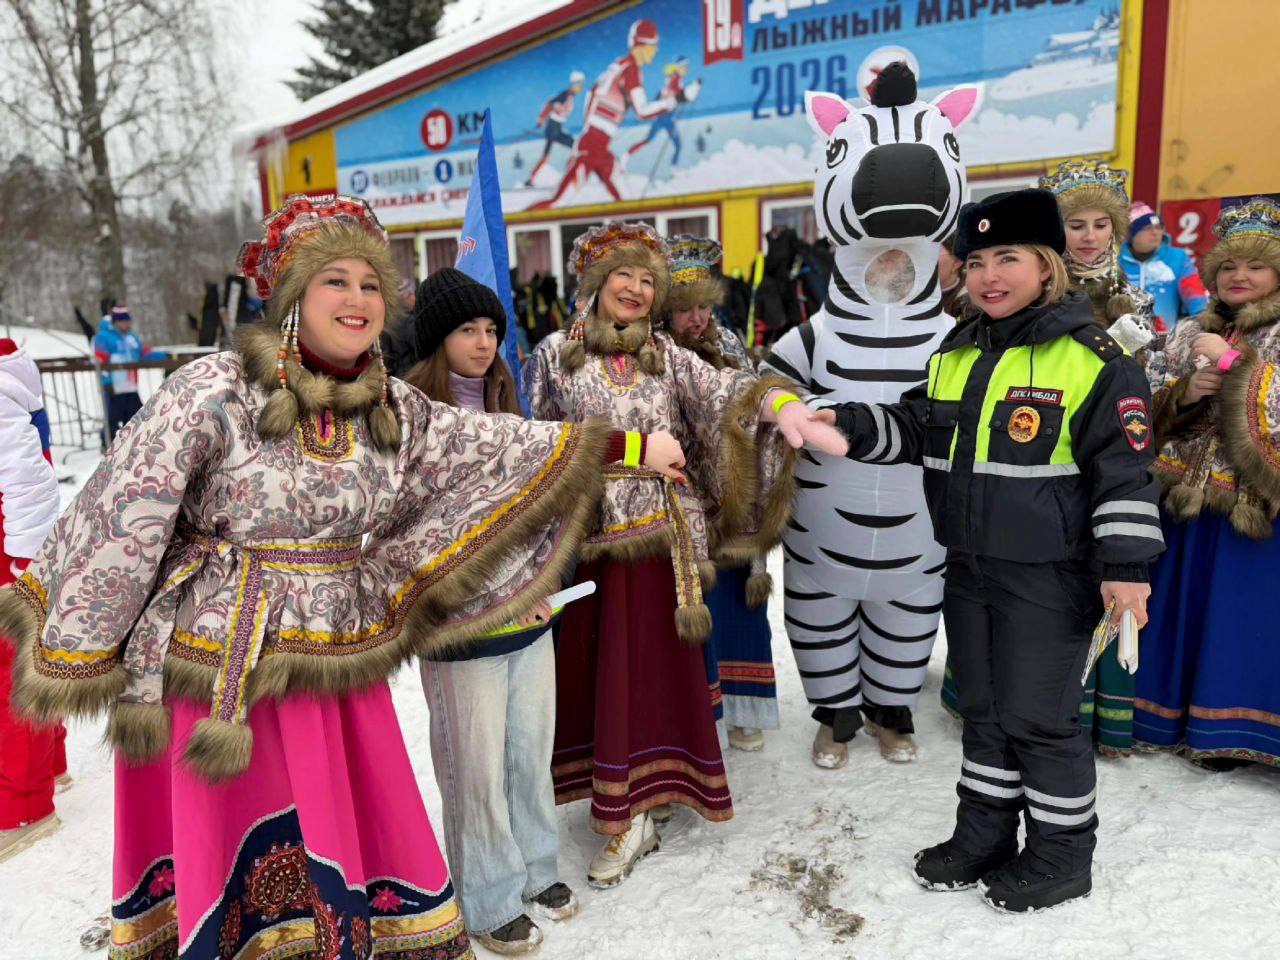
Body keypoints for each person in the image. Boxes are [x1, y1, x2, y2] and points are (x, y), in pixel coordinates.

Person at [0, 194, 625, 959]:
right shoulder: (215, 388)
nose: (359, 298)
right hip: (221, 674)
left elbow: (492, 446)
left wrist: (621, 446)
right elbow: (127, 503)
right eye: (336, 279)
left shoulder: (390, 406)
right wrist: (79, 643)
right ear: (293, 293)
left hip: (336, 665)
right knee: (236, 864)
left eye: (371, 281)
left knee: (345, 853)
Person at [820, 189, 1164, 912]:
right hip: (971, 565)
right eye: (975, 261)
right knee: (983, 708)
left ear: (1047, 265)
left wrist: (1127, 570)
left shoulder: (1093, 360)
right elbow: (919, 427)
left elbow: (1126, 471)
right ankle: (983, 837)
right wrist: (845, 421)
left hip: (1052, 573)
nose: (988, 275)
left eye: (1008, 257)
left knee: (1038, 717)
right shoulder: (959, 349)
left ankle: (1062, 856)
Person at [523, 221, 842, 888]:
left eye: (648, 279)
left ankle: (639, 805)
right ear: (596, 282)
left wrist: (784, 405)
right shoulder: (554, 355)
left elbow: (729, 393)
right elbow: (539, 445)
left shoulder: (669, 355)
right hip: (586, 538)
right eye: (625, 275)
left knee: (649, 672)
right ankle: (619, 790)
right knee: (599, 672)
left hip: (660, 538)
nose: (637, 289)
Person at [761, 64, 976, 767]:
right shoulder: (813, 337)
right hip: (822, 525)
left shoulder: (955, 341)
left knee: (909, 613)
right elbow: (761, 385)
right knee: (819, 607)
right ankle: (836, 716)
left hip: (922, 527)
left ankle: (891, 711)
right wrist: (780, 400)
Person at [400, 267, 586, 954]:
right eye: (465, 330)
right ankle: (486, 898)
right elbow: (408, 537)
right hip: (459, 634)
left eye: (490, 331)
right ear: (435, 340)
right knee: (473, 773)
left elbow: (557, 509)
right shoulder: (411, 427)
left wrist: (547, 584)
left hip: (533, 622)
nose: (482, 343)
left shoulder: (517, 418)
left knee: (528, 757)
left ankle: (536, 870)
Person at [1137, 198, 1280, 769]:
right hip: (1182, 505)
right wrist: (1179, 395)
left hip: (1253, 513)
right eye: (1228, 267)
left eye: (1256, 266)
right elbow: (1141, 405)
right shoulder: (1190, 329)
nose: (1239, 277)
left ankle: (1234, 734)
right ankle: (1162, 719)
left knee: (1240, 630)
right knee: (1176, 617)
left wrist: (1229, 368)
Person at [1024, 158, 1158, 755]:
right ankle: (1042, 709)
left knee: (1105, 572)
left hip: (1111, 461)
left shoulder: (1136, 294)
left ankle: (1098, 715)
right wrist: (1109, 350)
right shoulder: (1038, 293)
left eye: (1099, 223)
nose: (1087, 235)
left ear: (1115, 229)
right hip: (1046, 454)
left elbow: (1146, 391)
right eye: (1073, 224)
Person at [660, 235, 778, 752]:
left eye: (704, 306)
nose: (697, 319)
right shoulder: (652, 353)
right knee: (692, 608)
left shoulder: (729, 345)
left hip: (730, 498)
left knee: (736, 604)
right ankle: (698, 710)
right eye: (684, 309)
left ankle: (744, 706)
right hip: (679, 499)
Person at [0, 337, 64, 862]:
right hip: (11, 540)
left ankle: (25, 805)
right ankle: (50, 763)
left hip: (8, 545)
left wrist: (24, 562)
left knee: (13, 674)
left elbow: (27, 478)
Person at [528, 20, 685, 210]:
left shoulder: (619, 65)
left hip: (597, 145)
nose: (656, 51)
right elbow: (642, 111)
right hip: (592, 146)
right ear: (642, 45)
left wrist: (589, 127)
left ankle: (630, 237)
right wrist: (673, 101)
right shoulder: (631, 69)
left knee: (624, 204)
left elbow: (592, 93)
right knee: (558, 203)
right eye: (654, 46)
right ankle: (514, 232)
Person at [1120, 202, 1209, 335]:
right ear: (1131, 234)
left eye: (1159, 227)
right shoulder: (1116, 261)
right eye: (1147, 228)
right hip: (1121, 338)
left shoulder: (1177, 258)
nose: (1155, 233)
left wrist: (1205, 329)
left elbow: (1196, 297)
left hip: (1164, 339)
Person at [93, 304, 169, 441]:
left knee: (137, 417)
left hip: (130, 386)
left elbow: (144, 353)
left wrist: (164, 356)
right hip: (113, 389)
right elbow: (100, 360)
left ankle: (134, 443)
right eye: (125, 321)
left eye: (129, 321)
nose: (128, 324)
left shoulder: (131, 336)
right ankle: (107, 444)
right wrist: (107, 382)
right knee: (112, 420)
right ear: (117, 322)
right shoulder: (103, 337)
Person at [626, 57, 697, 166]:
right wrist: (693, 89)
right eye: (685, 67)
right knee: (678, 144)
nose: (687, 69)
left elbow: (661, 97)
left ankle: (627, 156)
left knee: (648, 140)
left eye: (687, 67)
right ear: (679, 67)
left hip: (662, 117)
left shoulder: (671, 79)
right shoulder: (675, 80)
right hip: (668, 118)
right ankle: (674, 169)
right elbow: (679, 97)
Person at [525, 71, 585, 187]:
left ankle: (531, 179)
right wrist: (541, 119)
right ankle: (572, 178)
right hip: (553, 128)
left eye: (581, 85)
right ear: (574, 84)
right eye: (579, 85)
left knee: (570, 147)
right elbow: (549, 104)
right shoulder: (565, 95)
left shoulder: (570, 96)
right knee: (574, 146)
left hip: (556, 128)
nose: (580, 88)